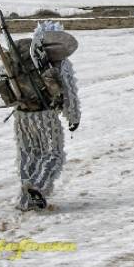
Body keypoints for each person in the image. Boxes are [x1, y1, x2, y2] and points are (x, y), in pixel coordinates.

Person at [8, 21, 81, 211]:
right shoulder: (59, 61)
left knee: (27, 154)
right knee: (53, 154)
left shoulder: (20, 57)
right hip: (45, 116)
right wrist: (73, 117)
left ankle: (25, 199)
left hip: (22, 114)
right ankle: (37, 189)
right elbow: (69, 92)